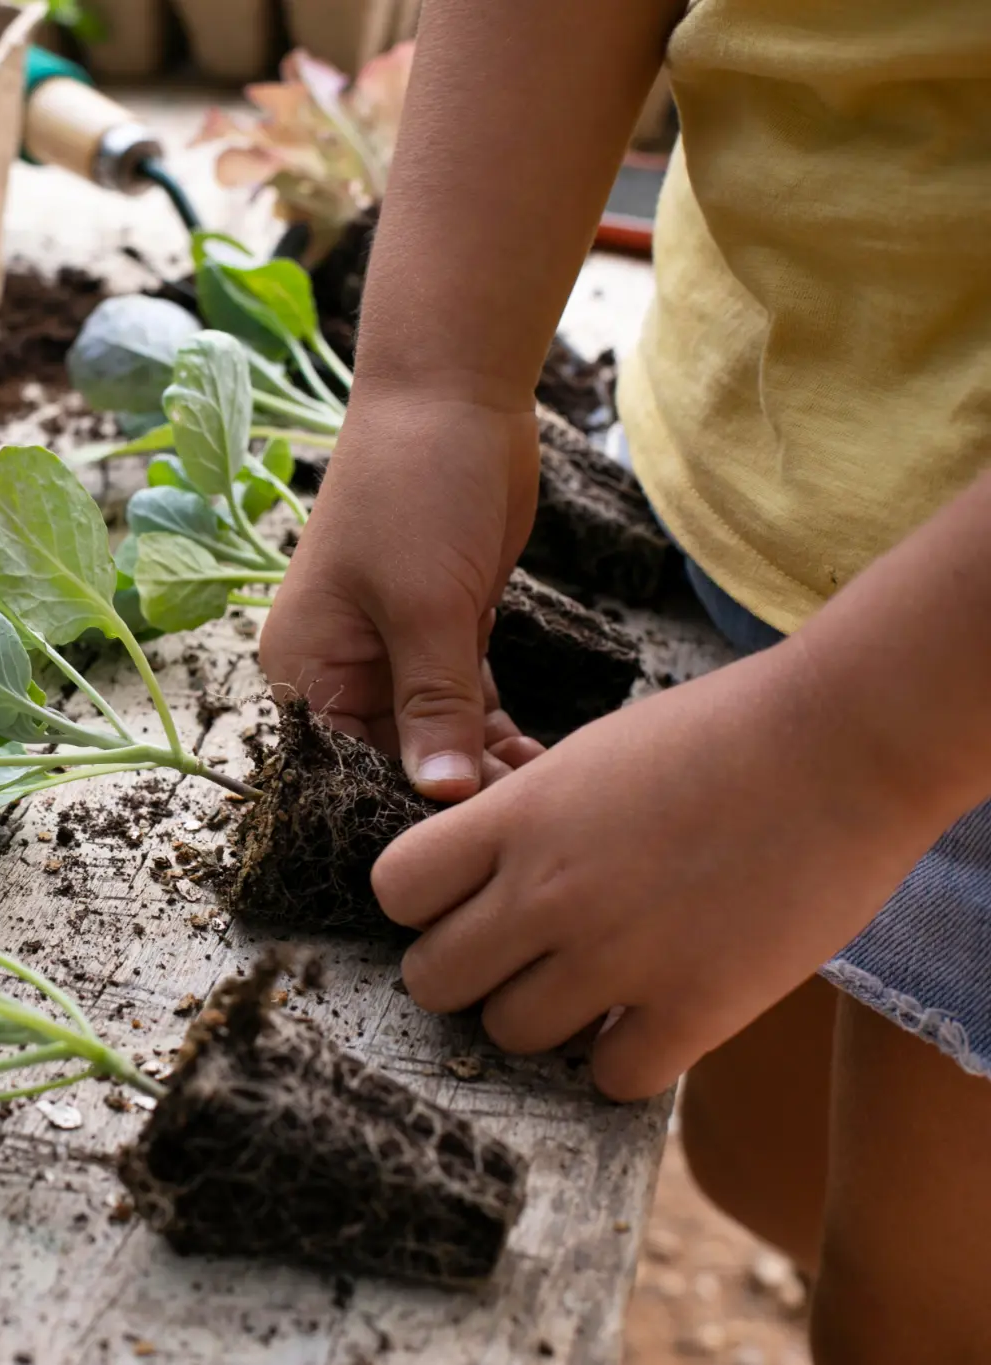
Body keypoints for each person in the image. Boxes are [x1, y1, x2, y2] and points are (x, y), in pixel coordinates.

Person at [256, 1, 991, 1358]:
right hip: (767, 516)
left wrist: (856, 750)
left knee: (922, 1316)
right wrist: (435, 381)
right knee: (768, 1163)